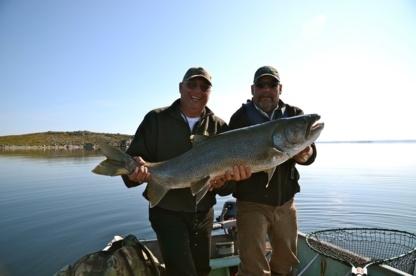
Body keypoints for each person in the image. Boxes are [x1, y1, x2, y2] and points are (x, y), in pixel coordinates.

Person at [121, 66, 251, 276]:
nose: (197, 91)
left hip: (203, 213)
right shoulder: (155, 119)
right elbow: (131, 167)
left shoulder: (220, 127)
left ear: (210, 92)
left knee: (202, 270)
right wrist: (133, 173)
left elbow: (228, 186)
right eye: (192, 84)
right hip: (166, 211)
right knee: (181, 271)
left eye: (204, 87)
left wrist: (223, 183)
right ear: (181, 87)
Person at [228, 66, 317, 276]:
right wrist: (231, 175)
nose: (266, 89)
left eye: (272, 84)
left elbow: (310, 154)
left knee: (286, 262)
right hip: (251, 204)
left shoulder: (295, 115)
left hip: (286, 203)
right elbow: (228, 159)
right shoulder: (239, 119)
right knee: (253, 268)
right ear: (252, 89)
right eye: (261, 85)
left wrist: (307, 154)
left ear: (280, 88)